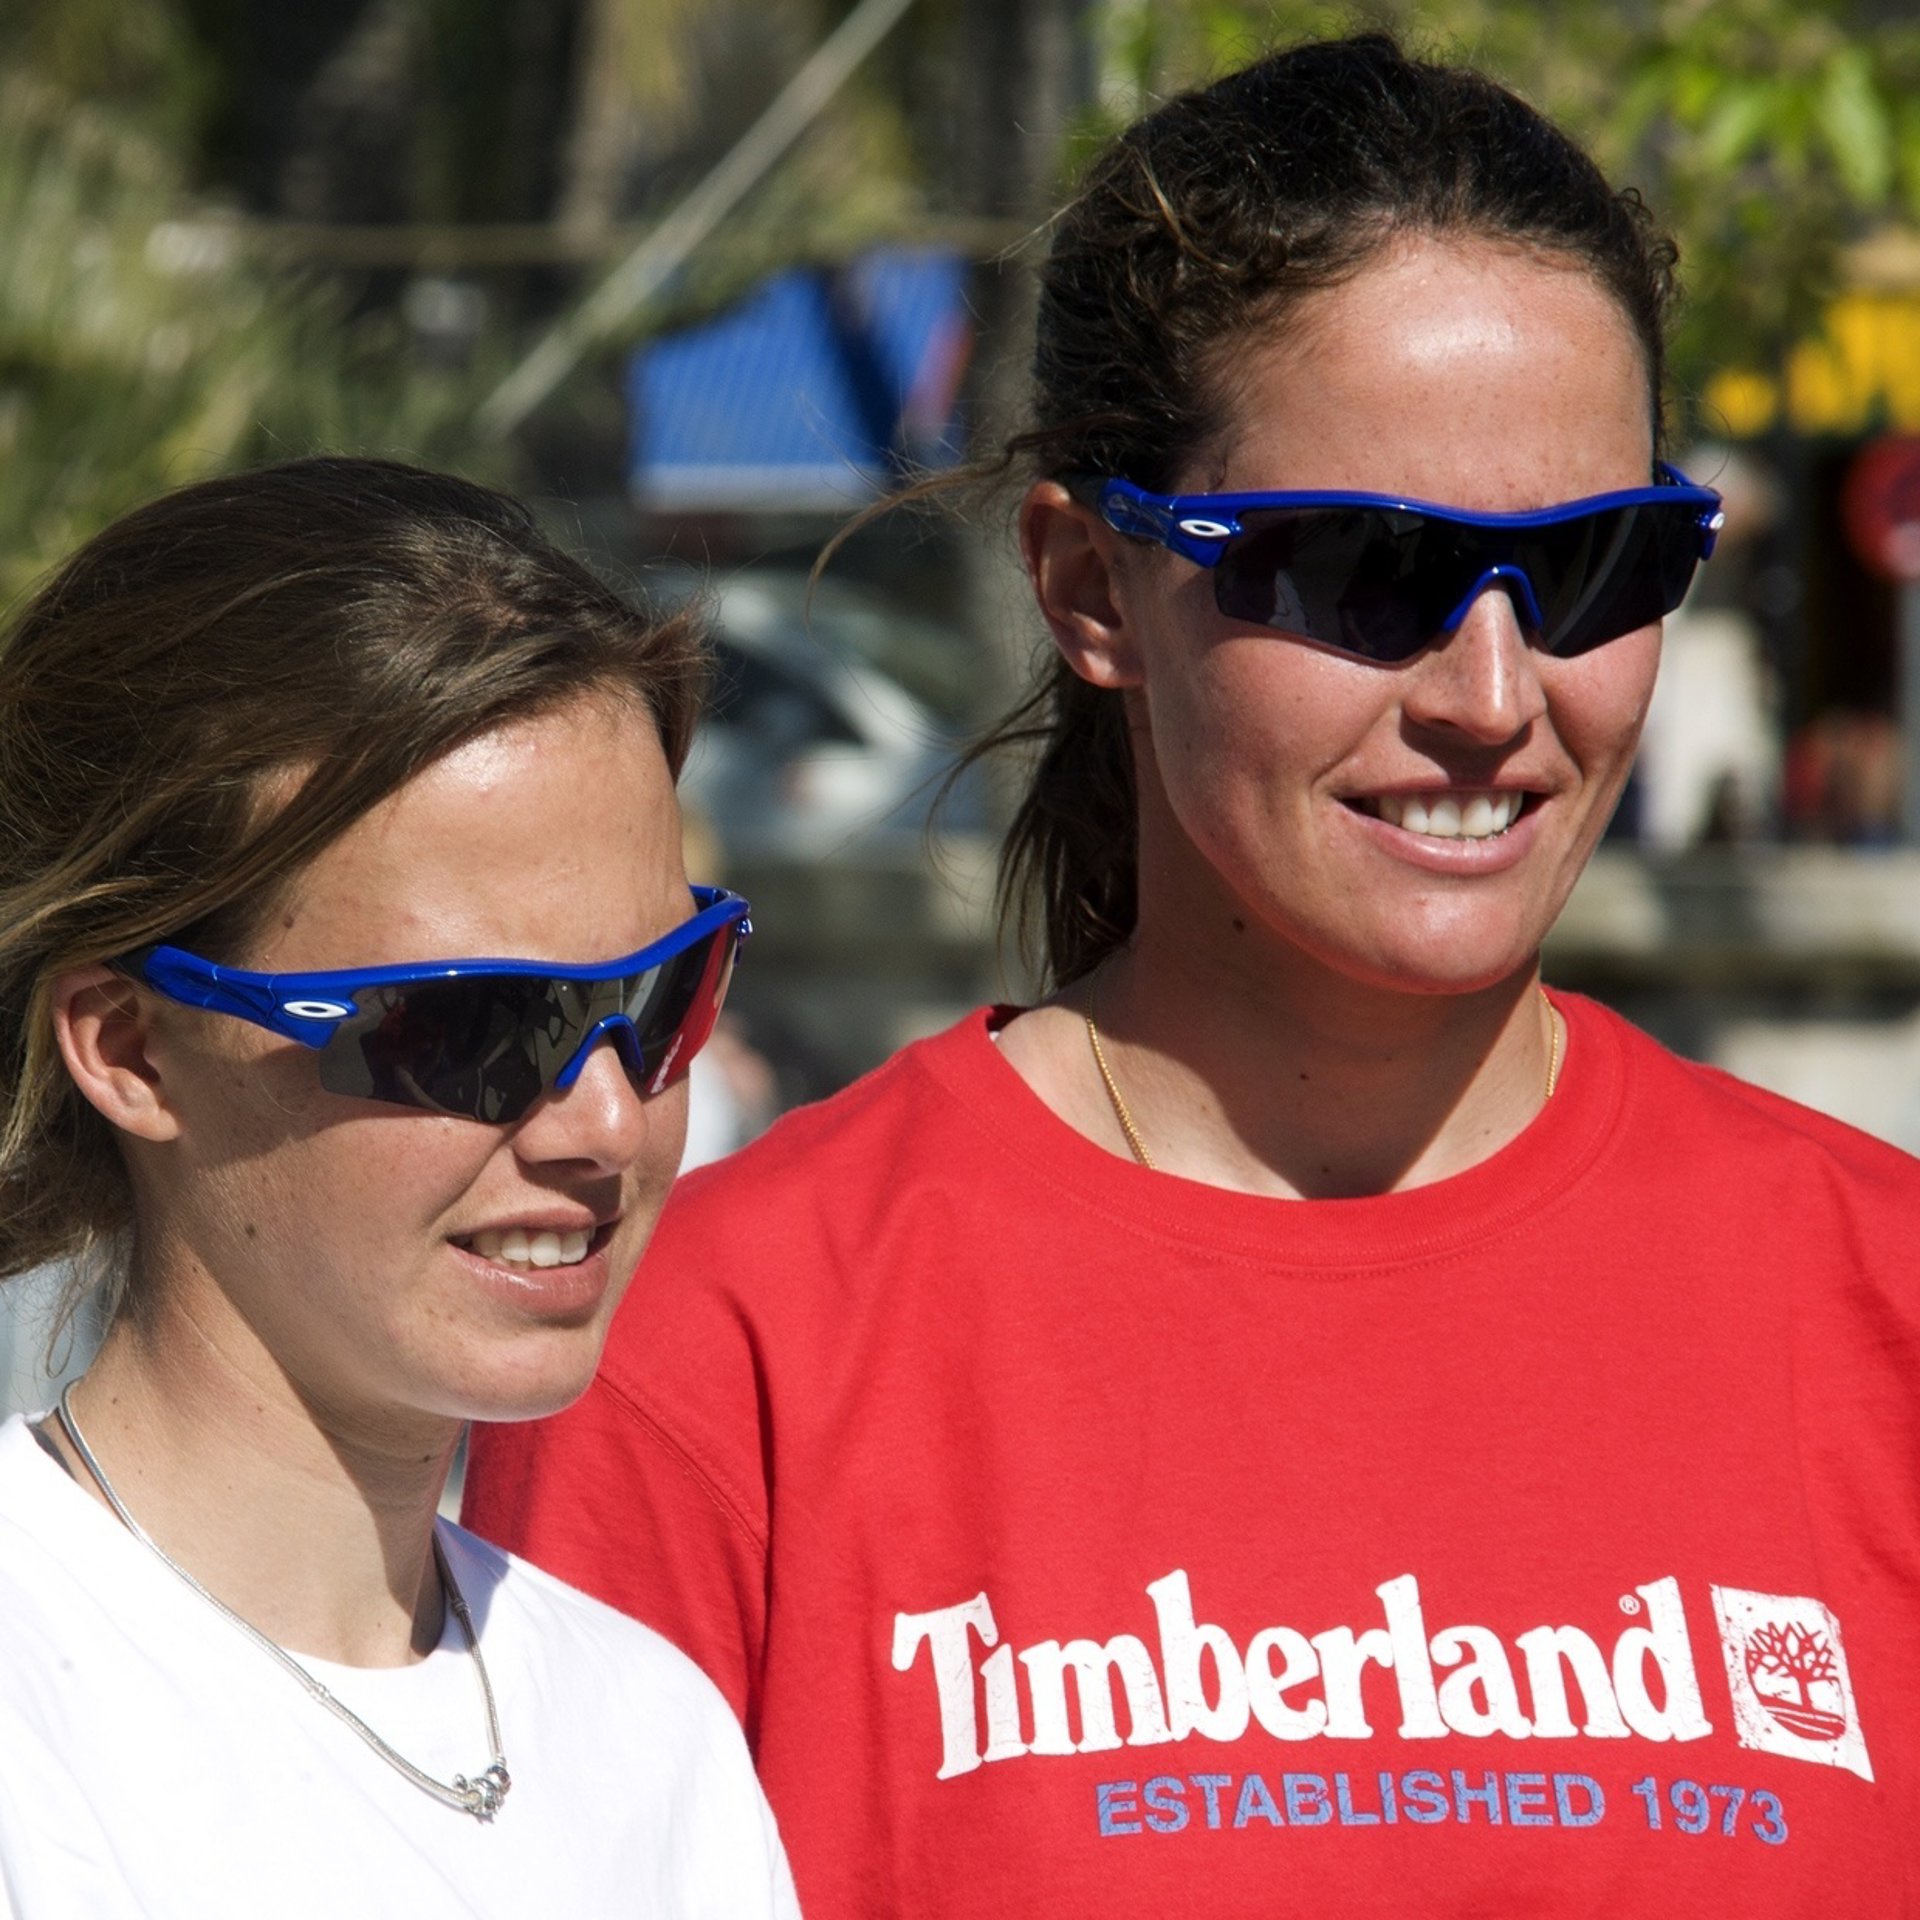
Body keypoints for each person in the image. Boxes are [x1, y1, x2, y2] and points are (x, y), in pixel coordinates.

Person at [464, 35, 1920, 1916]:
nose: (1493, 698)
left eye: (1590, 567)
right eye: (1362, 570)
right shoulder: (725, 1356)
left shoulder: (1877, 1301)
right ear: (1091, 587)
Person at [0, 458, 800, 1917]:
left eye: (664, 992)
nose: (606, 1122)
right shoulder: (35, 1715)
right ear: (130, 1050)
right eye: (472, 1025)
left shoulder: (653, 1738)